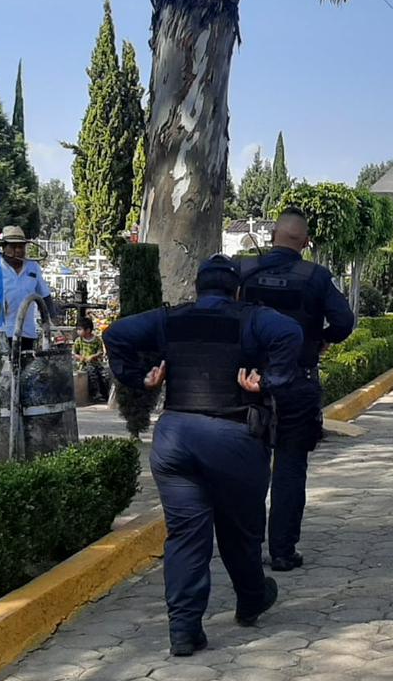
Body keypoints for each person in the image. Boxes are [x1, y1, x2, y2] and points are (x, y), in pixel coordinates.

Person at [103, 255, 302, 657]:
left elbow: (117, 334)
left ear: (197, 288)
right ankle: (251, 600)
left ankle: (183, 629)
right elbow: (292, 333)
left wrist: (139, 376)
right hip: (233, 438)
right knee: (241, 530)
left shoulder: (169, 319)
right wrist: (269, 379)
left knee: (185, 536)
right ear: (237, 290)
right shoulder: (252, 318)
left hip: (175, 437)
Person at [239, 209, 355, 572]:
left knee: (249, 467)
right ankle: (283, 552)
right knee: (290, 467)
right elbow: (344, 321)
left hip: (248, 383)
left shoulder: (244, 271)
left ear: (273, 234)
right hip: (296, 382)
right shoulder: (315, 276)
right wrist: (320, 338)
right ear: (305, 242)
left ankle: (247, 547)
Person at [0, 226, 53, 351]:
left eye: (21, 246)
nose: (18, 250)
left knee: (25, 367)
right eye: (13, 247)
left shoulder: (32, 267)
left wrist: (52, 319)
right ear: (4, 248)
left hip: (27, 331)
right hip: (3, 330)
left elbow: (45, 294)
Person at [73, 317, 109, 403]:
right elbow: (74, 353)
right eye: (77, 329)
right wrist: (80, 357)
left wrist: (93, 356)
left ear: (88, 330)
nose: (78, 331)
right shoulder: (79, 341)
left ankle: (105, 393)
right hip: (84, 365)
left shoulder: (96, 340)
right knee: (92, 373)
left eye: (80, 329)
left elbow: (100, 352)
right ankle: (95, 394)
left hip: (96, 363)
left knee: (104, 375)